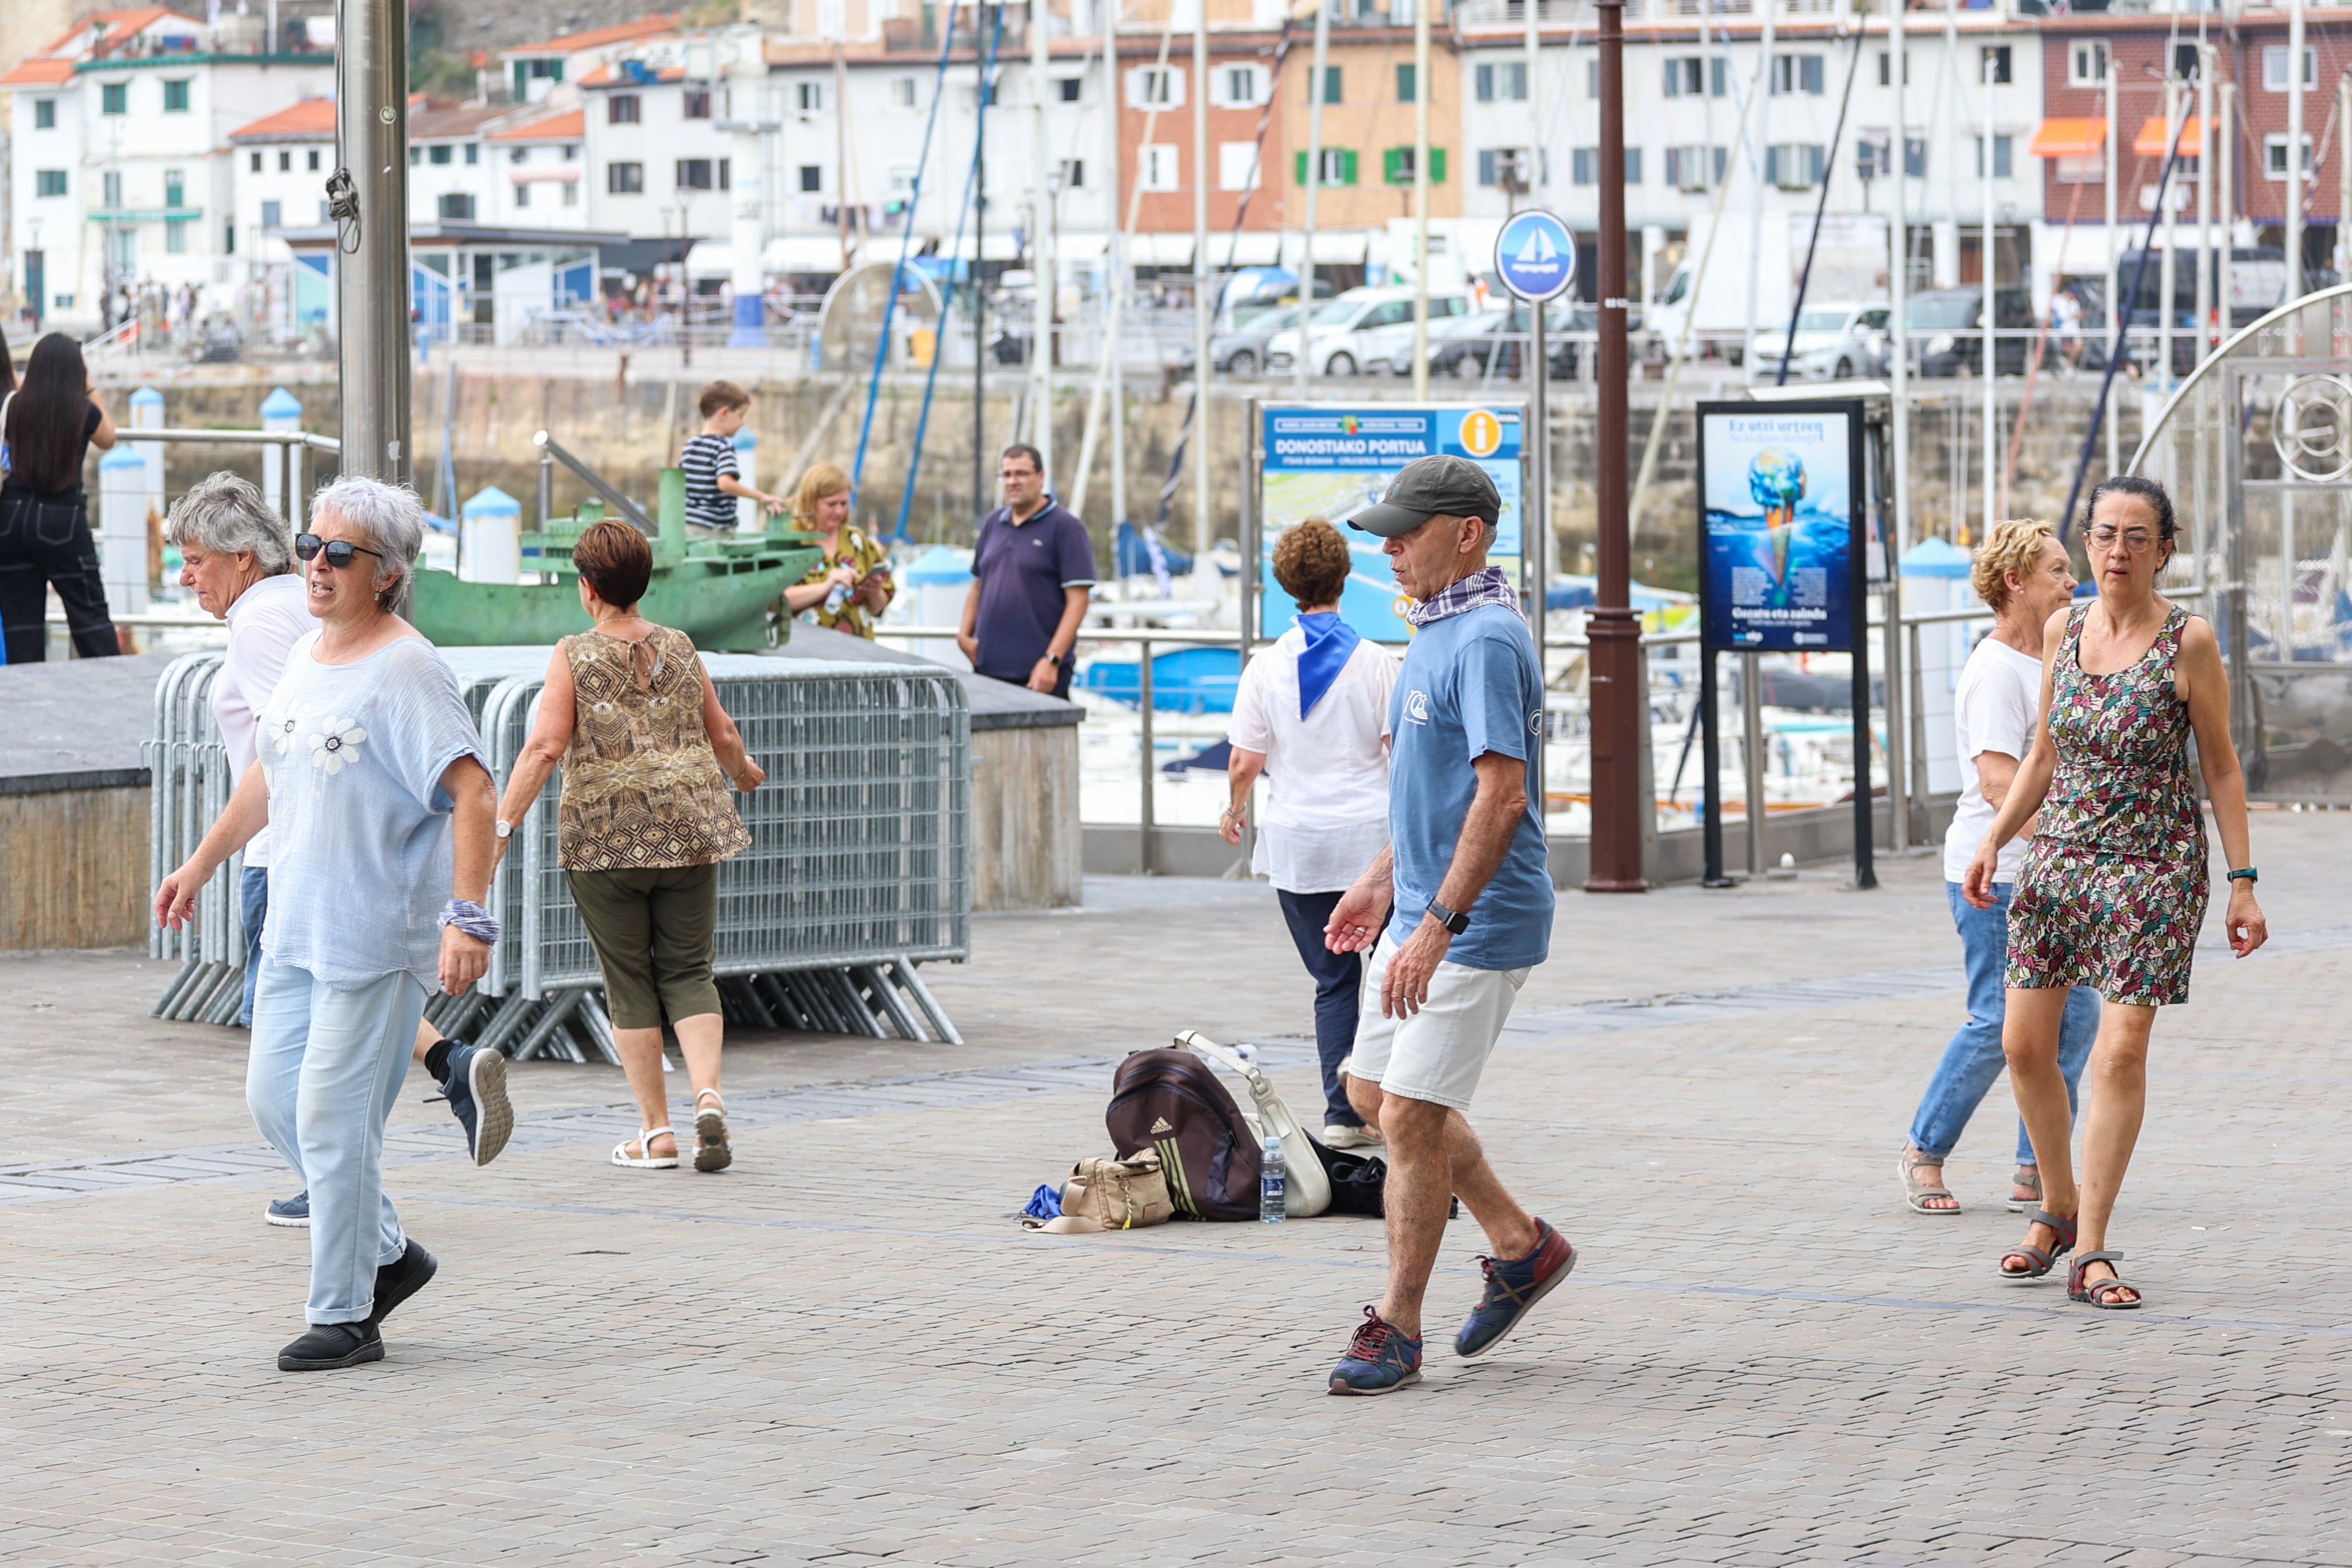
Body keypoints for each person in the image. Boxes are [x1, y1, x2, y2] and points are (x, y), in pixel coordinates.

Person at [155, 476, 498, 1372]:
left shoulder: (409, 668)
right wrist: (201, 862)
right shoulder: (309, 652)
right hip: (297, 925)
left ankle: (345, 1315)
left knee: (334, 1120)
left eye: (339, 553)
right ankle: (389, 1254)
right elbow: (269, 773)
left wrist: (468, 918)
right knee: (276, 1100)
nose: (316, 563)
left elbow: (473, 791)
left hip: (375, 934)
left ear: (386, 573)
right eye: (311, 545)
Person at [1968, 476, 2269, 1310]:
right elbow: (2042, 754)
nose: (2117, 551)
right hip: (2059, 859)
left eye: (2137, 537)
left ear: (2163, 551)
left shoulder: (2187, 641)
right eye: (2104, 534)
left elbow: (2221, 767)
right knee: (2023, 1046)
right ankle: (2056, 1206)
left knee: (2117, 1052)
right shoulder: (2061, 629)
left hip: (2152, 867)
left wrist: (2243, 883)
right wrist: (1994, 840)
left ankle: (2092, 1247)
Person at [1319, 455, 1566, 1396]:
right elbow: (1432, 791)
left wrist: (1437, 926)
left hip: (1478, 919)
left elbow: (1500, 798)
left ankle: (1396, 1327)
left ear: (1466, 534)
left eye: (1405, 532)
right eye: (1384, 533)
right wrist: (1377, 884)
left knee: (1411, 1118)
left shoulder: (1489, 638)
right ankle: (1519, 1244)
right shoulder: (1431, 629)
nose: (1388, 549)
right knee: (1369, 1094)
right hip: (1420, 908)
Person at [495, 519, 765, 1173]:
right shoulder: (680, 645)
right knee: (690, 971)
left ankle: (657, 1132)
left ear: (587, 588)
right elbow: (723, 733)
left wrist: (500, 827)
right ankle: (709, 1095)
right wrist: (743, 774)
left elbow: (544, 747)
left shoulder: (573, 654)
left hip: (606, 840)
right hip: (690, 830)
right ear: (643, 582)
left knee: (631, 983)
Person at [1898, 518, 2099, 1217]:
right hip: (1997, 874)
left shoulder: (2053, 657)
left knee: (2075, 1016)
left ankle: (2035, 1166)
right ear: (2014, 582)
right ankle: (1923, 1150)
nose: (2072, 582)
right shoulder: (1994, 671)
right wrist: (2067, 844)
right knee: (1996, 1020)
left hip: (2049, 869)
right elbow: (1997, 783)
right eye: (2056, 570)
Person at [1221, 517, 1397, 1151]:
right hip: (1372, 841)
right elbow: (1400, 751)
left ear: (1285, 583)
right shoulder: (1377, 662)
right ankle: (1393, 1103)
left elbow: (1245, 760)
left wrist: (1234, 808)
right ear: (1344, 577)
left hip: (1299, 841)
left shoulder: (1264, 667)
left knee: (1333, 981)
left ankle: (1341, 1113)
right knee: (1390, 973)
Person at [0, 331, 120, 663]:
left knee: (22, 626)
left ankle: (27, 693)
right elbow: (109, 439)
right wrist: (90, 388)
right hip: (62, 519)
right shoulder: (83, 409)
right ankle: (113, 682)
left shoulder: (15, 405)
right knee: (90, 617)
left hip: (13, 516)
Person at [958, 443, 1094, 695]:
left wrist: (1052, 660)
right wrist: (964, 635)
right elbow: (978, 585)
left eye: (1021, 474)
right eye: (1007, 474)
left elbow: (1079, 601)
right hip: (987, 669)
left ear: (1041, 477)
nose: (1013, 482)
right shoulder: (993, 523)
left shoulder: (1066, 527)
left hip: (1040, 676)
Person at [777, 461, 894, 637]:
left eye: (844, 504)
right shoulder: (787, 538)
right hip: (805, 647)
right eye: (831, 505)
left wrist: (875, 592)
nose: (839, 511)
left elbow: (878, 609)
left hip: (858, 646)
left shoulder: (856, 539)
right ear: (811, 502)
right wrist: (827, 586)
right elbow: (774, 602)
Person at [679, 381, 787, 538]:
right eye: (741, 416)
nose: (743, 423)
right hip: (714, 530)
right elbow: (725, 484)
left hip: (687, 526)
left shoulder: (690, 445)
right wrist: (762, 497)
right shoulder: (722, 446)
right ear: (724, 413)